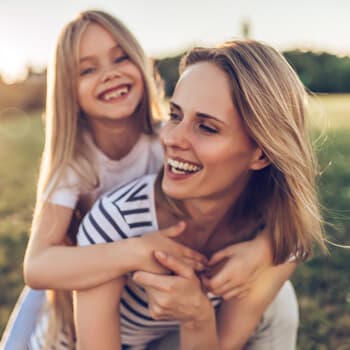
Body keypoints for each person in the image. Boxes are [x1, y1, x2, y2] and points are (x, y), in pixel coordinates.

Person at [0, 11, 274, 350]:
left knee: (279, 299)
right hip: (86, 292)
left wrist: (263, 250)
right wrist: (134, 252)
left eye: (120, 57)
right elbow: (38, 268)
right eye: (88, 69)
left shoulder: (169, 138)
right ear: (67, 90)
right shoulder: (75, 165)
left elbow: (277, 209)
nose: (110, 74)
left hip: (148, 300)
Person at [74, 39, 326, 350]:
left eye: (207, 127)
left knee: (280, 300)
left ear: (261, 155)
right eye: (176, 115)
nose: (171, 138)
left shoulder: (271, 229)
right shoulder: (116, 224)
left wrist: (196, 316)